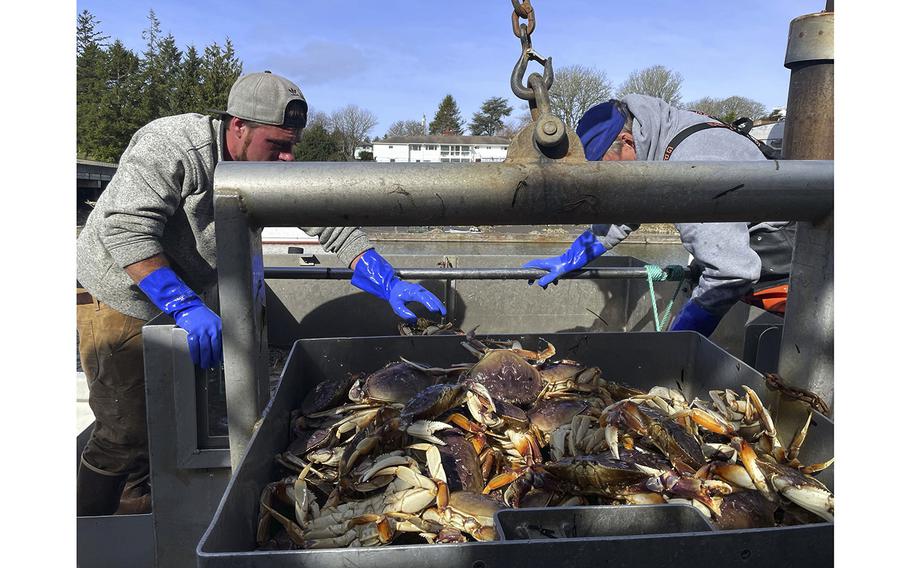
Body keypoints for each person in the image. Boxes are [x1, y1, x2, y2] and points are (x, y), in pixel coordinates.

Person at [76, 71, 445, 516]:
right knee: (125, 426)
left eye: (293, 146)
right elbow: (127, 229)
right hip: (121, 292)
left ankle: (138, 497)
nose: (288, 159)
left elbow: (328, 219)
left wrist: (387, 280)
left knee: (167, 408)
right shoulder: (174, 146)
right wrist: (184, 306)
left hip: (190, 288)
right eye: (278, 146)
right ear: (238, 127)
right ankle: (88, 524)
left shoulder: (265, 167)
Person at [524, 94, 794, 336]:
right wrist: (574, 255)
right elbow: (633, 200)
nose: (606, 183)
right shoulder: (661, 134)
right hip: (755, 260)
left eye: (606, 172)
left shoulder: (691, 168)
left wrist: (680, 341)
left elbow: (731, 272)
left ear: (626, 141)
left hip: (790, 271)